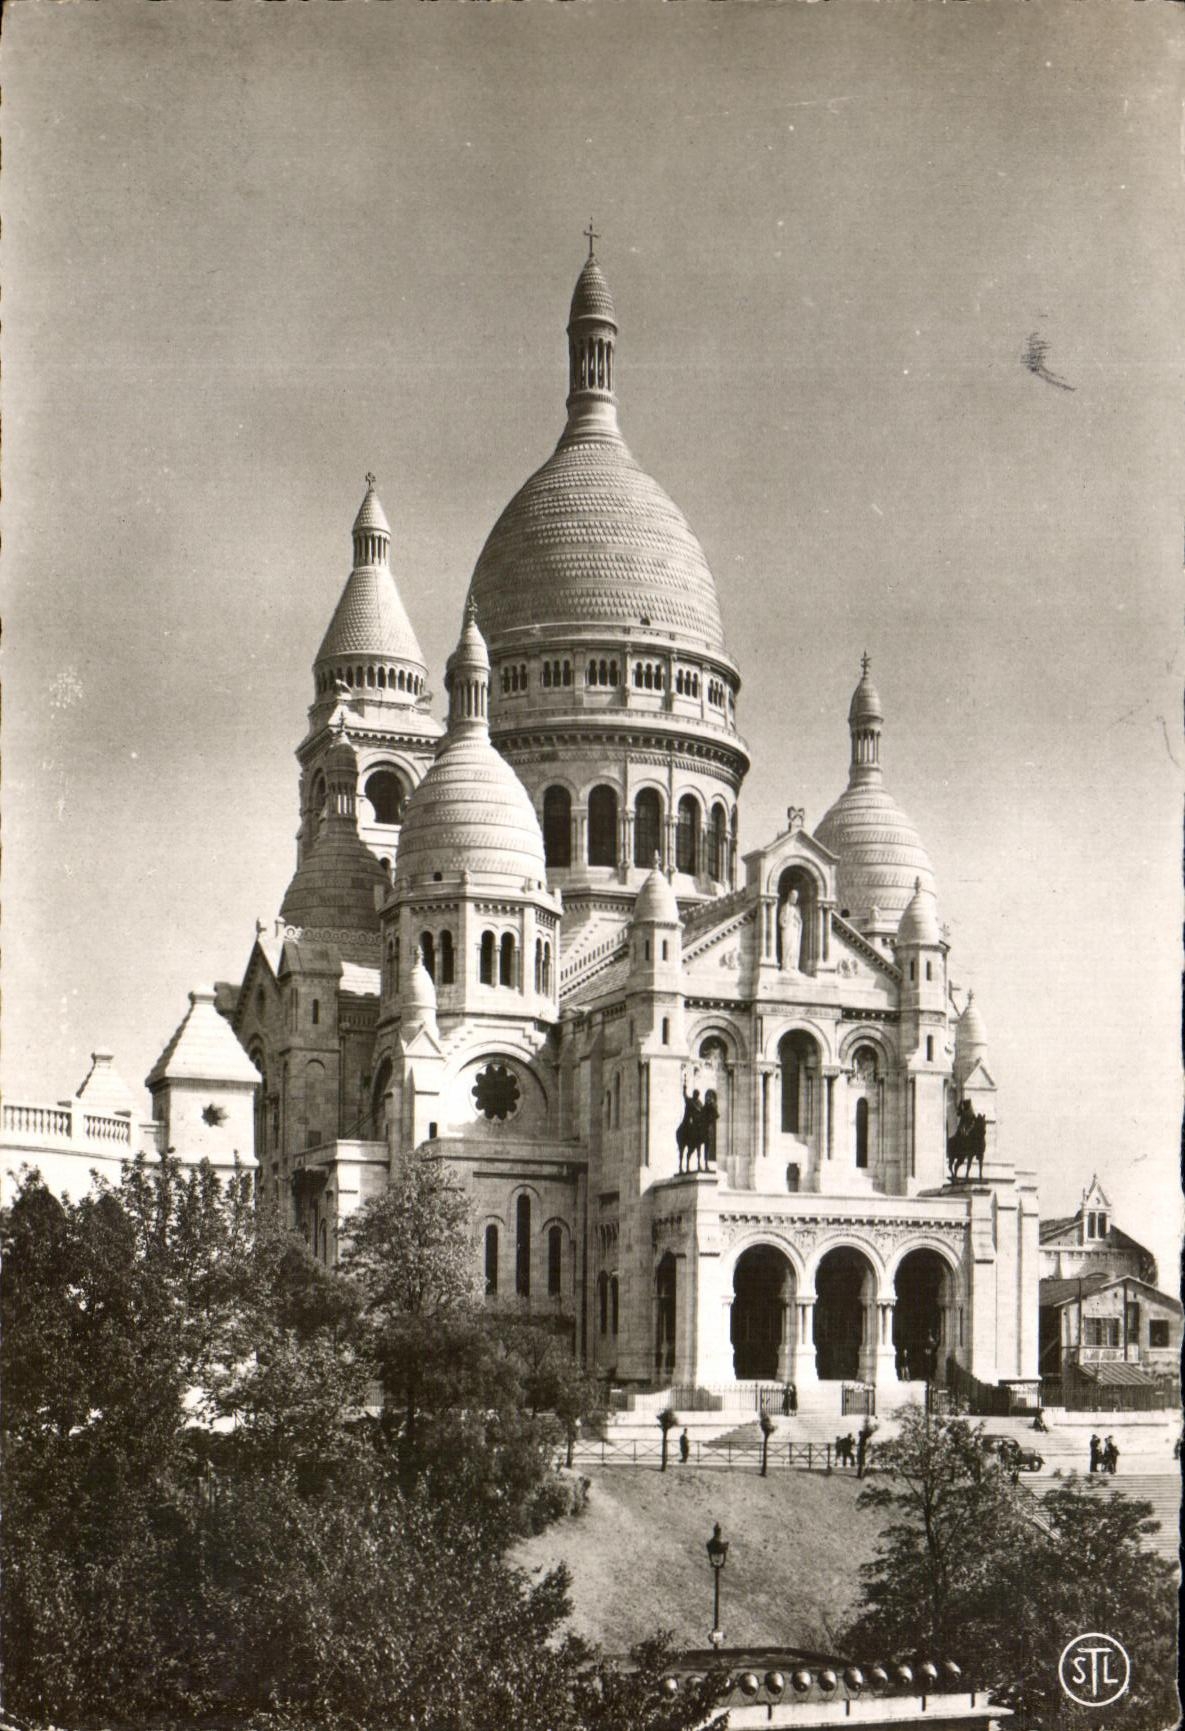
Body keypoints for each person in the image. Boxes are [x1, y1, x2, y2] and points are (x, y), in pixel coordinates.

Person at [778, 889, 803, 973]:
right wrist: (784, 924)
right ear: (790, 897)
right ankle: (786, 965)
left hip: (794, 930)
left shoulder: (796, 909)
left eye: (796, 898)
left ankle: (793, 965)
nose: (795, 899)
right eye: (794, 897)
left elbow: (799, 920)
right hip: (787, 930)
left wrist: (798, 922)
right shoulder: (785, 907)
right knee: (787, 947)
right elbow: (781, 919)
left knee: (794, 948)